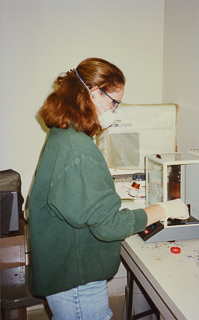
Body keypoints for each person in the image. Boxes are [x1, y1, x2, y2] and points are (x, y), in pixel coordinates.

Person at [29, 57, 189, 320]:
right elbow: (109, 226)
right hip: (76, 278)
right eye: (114, 102)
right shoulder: (77, 148)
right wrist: (163, 209)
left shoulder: (63, 133)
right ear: (93, 93)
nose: (115, 110)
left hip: (65, 266)